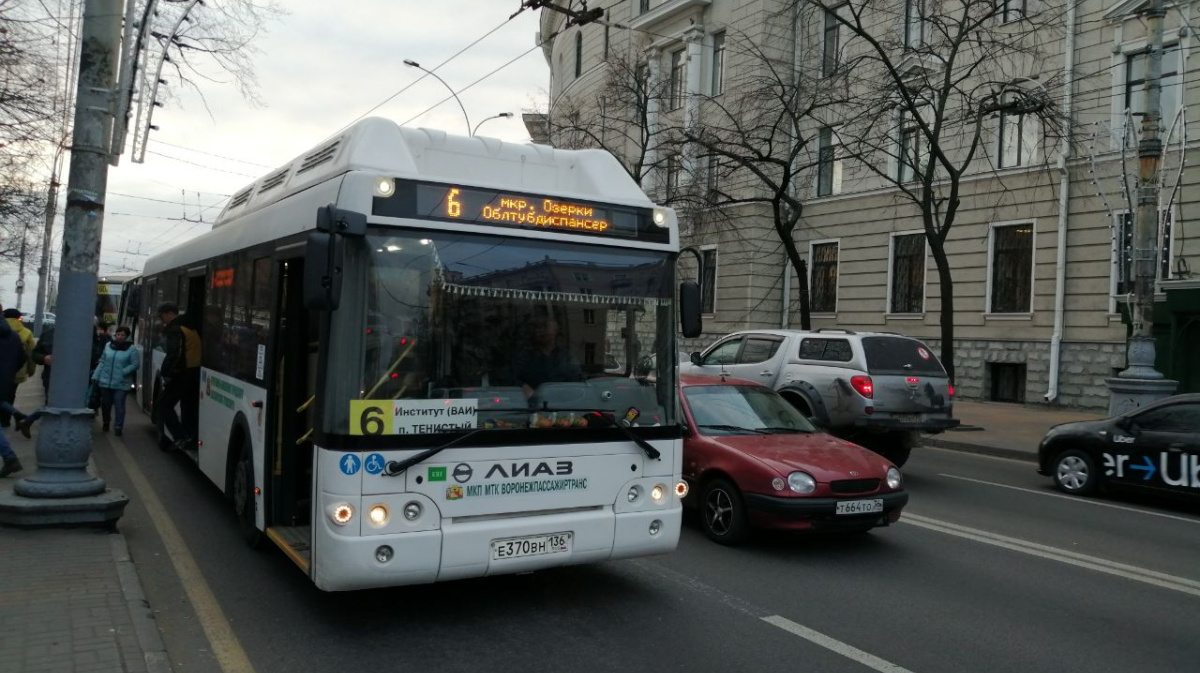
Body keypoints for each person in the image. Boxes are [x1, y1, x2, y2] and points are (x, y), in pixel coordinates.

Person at [156, 303, 201, 450]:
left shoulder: (175, 329)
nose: (163, 321)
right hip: (195, 372)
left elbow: (174, 354)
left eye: (163, 317)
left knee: (163, 404)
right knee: (189, 406)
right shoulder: (190, 326)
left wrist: (166, 372)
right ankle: (191, 436)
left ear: (169, 313)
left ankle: (180, 437)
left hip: (182, 373)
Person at [510, 314, 582, 398]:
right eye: (536, 327)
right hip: (532, 406)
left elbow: (576, 381)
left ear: (556, 330)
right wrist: (523, 387)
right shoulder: (525, 356)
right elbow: (511, 378)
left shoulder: (566, 357)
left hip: (564, 404)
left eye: (544, 326)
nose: (539, 331)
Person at [91, 325, 139, 436]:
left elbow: (135, 364)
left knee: (119, 404)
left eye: (122, 335)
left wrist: (123, 372)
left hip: (121, 383)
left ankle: (118, 426)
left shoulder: (132, 349)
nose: (119, 337)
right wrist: (95, 376)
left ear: (127, 336)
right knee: (105, 404)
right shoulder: (108, 345)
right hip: (105, 382)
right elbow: (102, 361)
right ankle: (106, 422)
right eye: (118, 334)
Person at [0, 318, 29, 477]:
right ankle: (18, 415)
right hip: (6, 380)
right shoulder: (13, 335)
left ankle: (9, 457)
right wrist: (8, 372)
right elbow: (22, 357)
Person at [0, 307, 35, 427]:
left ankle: (15, 415)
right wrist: (29, 370)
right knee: (9, 395)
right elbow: (28, 355)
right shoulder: (23, 333)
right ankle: (7, 419)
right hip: (13, 373)